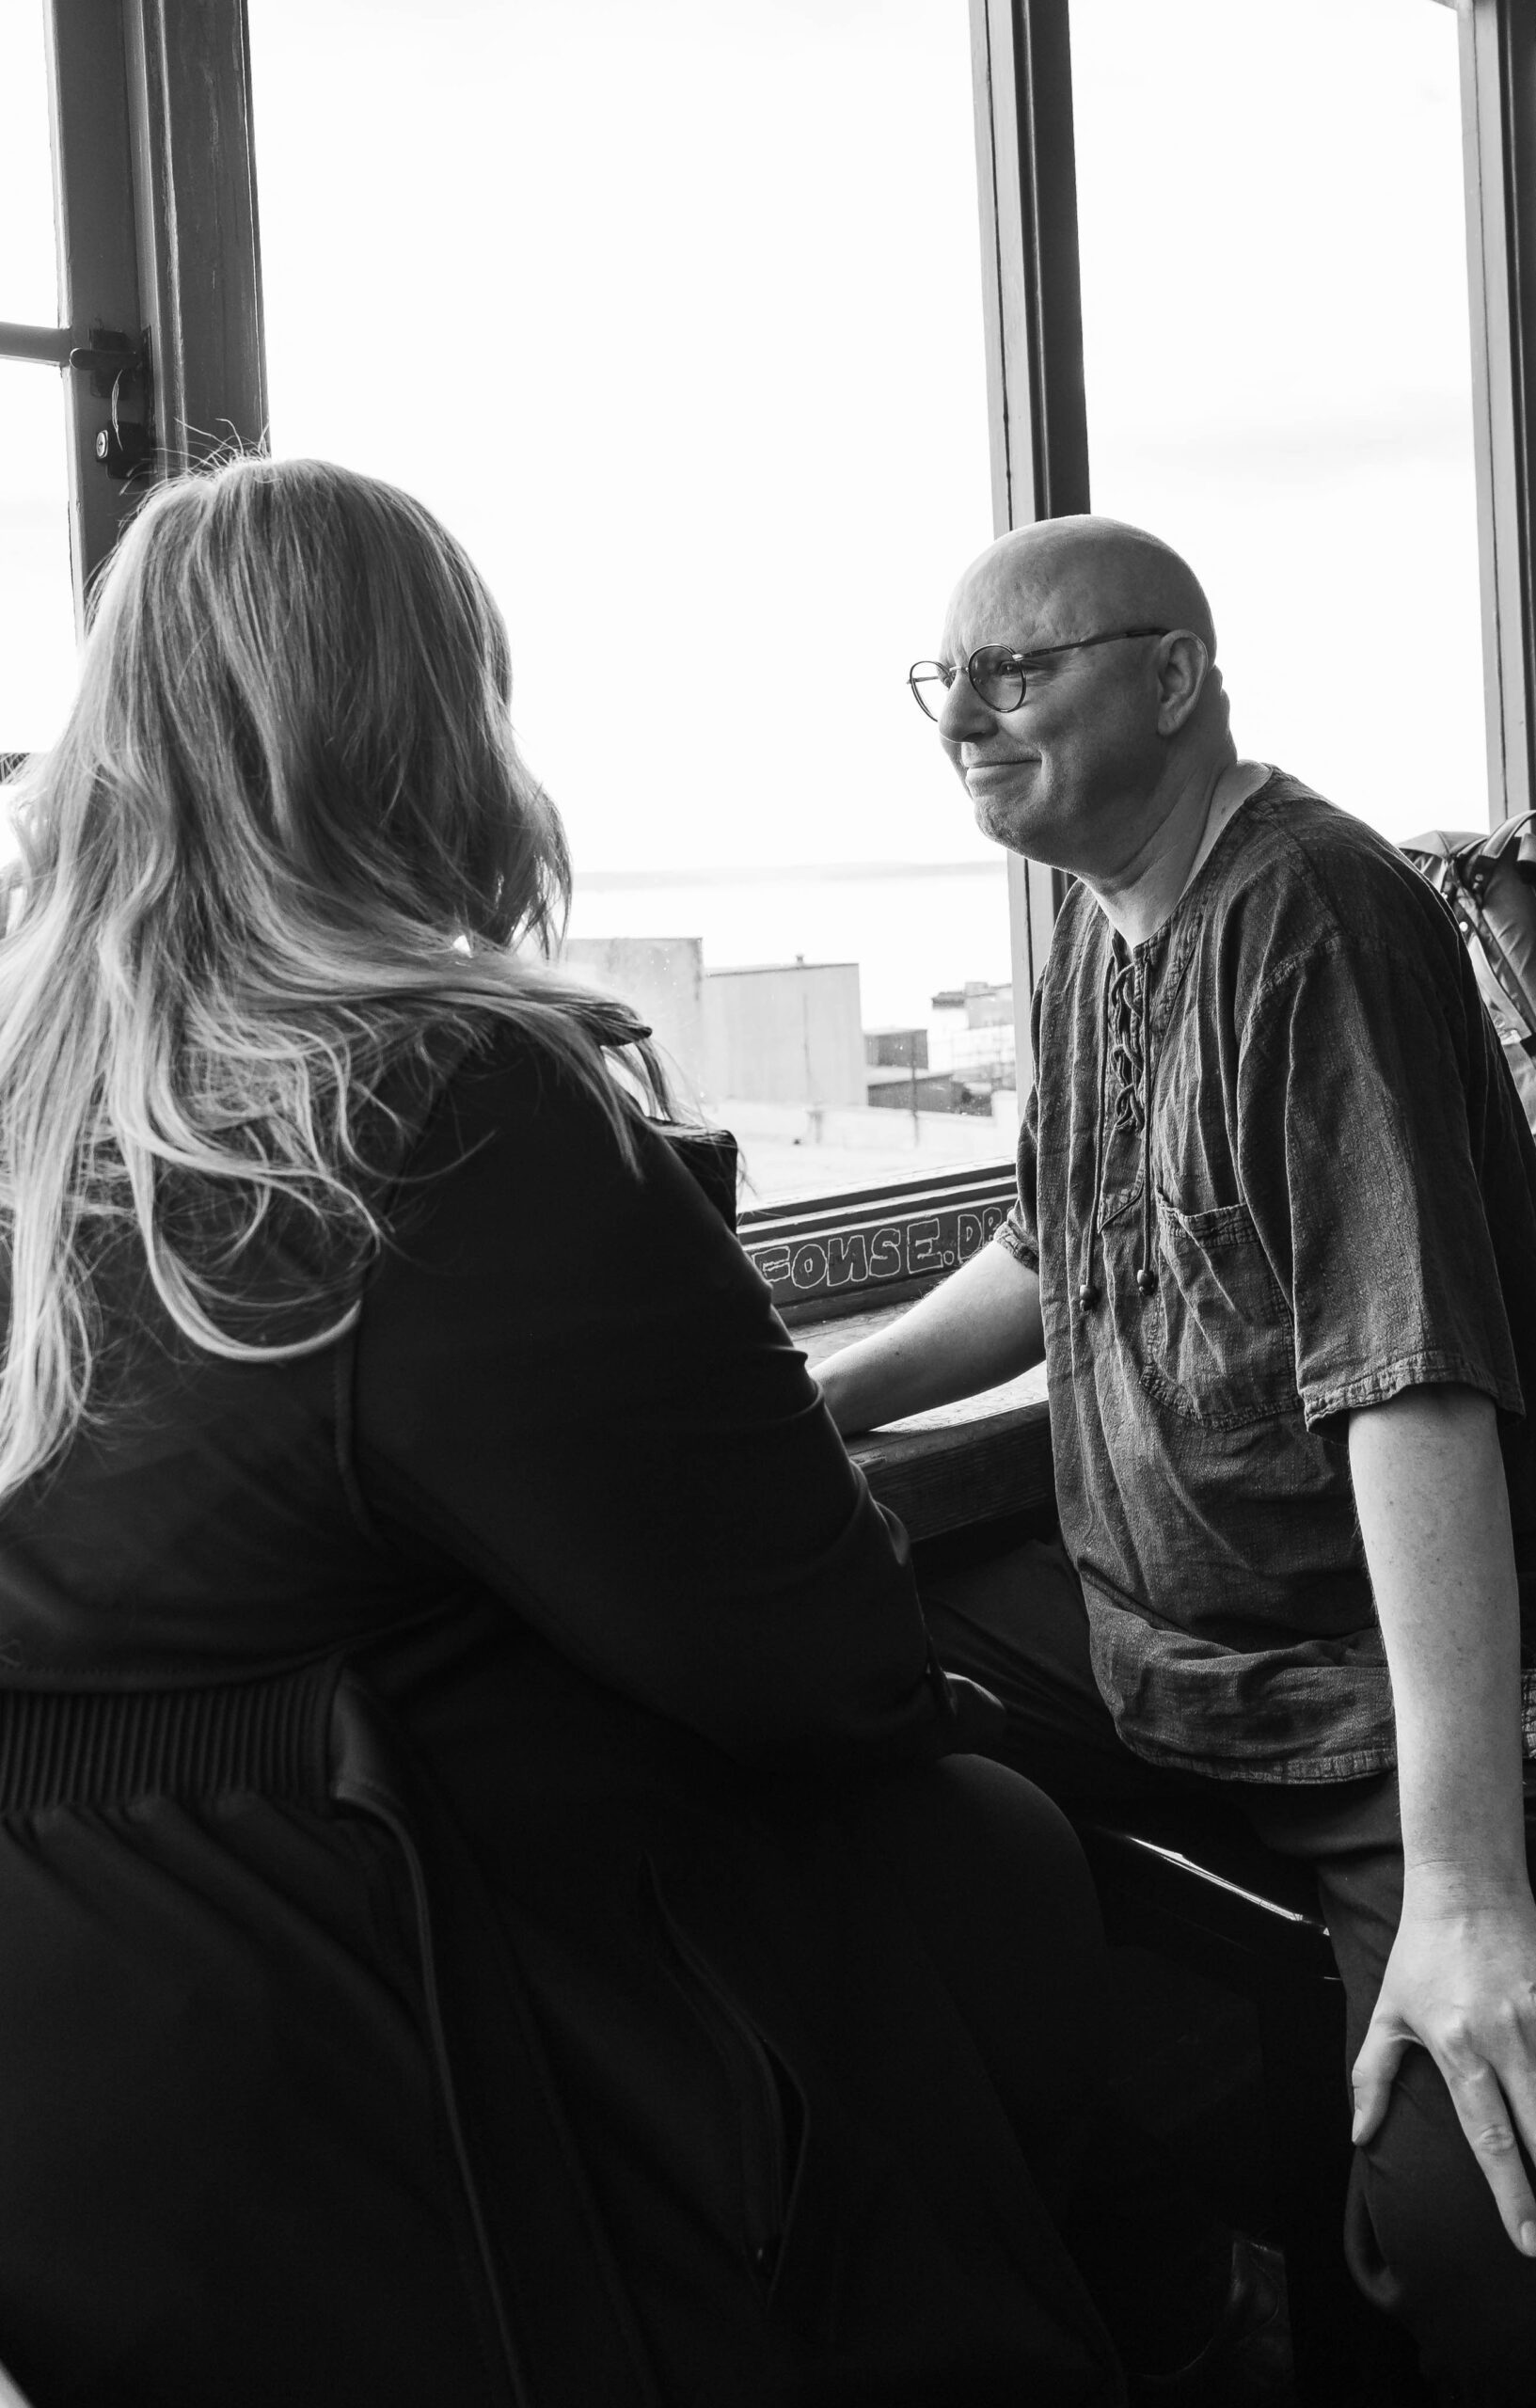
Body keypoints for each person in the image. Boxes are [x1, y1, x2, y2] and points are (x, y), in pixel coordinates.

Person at [0, 457, 1126, 2408]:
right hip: (463, 2062)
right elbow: (826, 1666)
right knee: (995, 1841)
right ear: (436, 727)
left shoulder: (53, 1115)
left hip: (114, 2130)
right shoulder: (437, 1099)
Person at [822, 515, 1536, 2405]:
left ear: (1171, 677)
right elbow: (1052, 1249)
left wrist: (1467, 1886)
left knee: (1498, 2255)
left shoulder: (1311, 911)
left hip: (1399, 1696)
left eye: (1016, 669)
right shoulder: (1097, 919)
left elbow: (1412, 1393)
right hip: (1155, 1649)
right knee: (826, 1748)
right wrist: (830, 1400)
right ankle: (1169, 2279)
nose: (963, 711)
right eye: (938, 680)